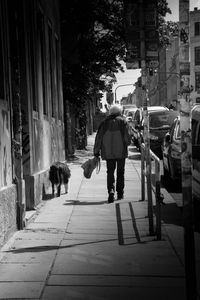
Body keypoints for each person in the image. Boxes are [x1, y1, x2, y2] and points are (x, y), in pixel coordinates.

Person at [93, 104, 131, 203]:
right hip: (121, 152)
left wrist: (96, 152)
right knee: (120, 172)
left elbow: (98, 138)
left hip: (108, 152)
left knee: (110, 172)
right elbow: (127, 139)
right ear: (119, 112)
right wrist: (127, 143)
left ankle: (111, 191)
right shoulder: (123, 122)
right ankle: (120, 193)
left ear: (110, 112)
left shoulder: (104, 123)